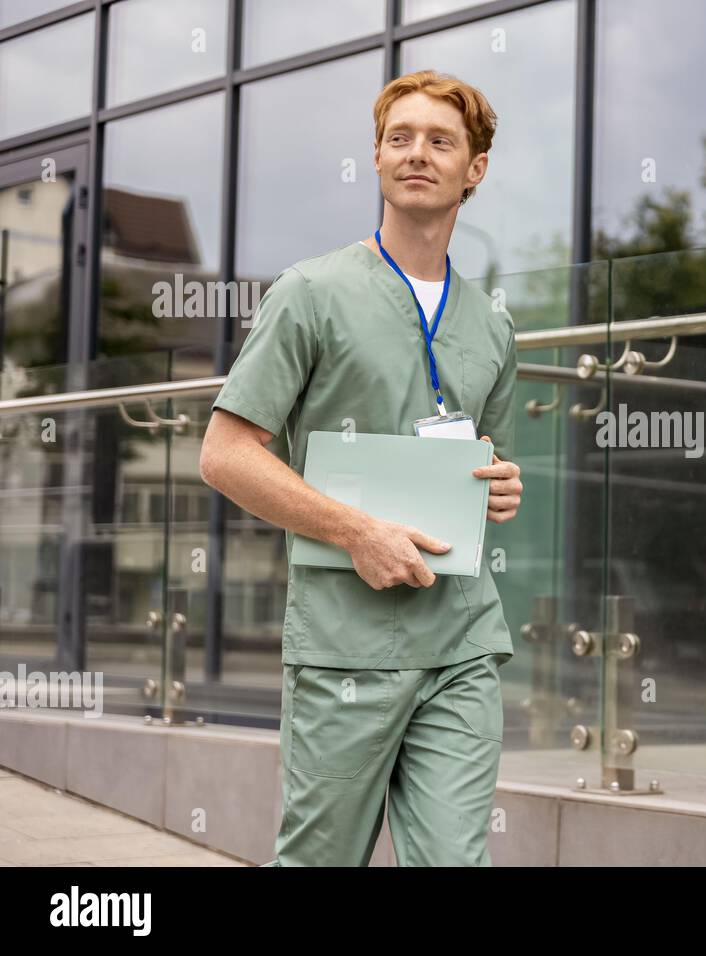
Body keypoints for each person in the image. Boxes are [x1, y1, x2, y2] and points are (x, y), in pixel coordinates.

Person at [199, 69, 524, 866]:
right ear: (376, 159)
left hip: (462, 643)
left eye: (441, 140)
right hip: (346, 649)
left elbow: (491, 466)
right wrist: (355, 531)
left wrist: (504, 488)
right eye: (399, 137)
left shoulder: (493, 326)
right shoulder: (310, 293)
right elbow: (225, 454)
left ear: (473, 169)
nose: (417, 153)